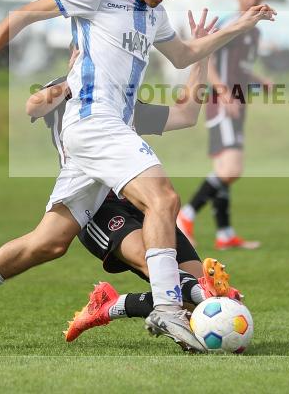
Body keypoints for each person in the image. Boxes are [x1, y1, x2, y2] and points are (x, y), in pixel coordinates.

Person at [0, 0, 276, 352]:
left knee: (48, 243)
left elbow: (184, 55)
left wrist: (236, 26)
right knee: (163, 199)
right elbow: (22, 16)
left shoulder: (155, 15)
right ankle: (166, 308)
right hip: (92, 122)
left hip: (105, 133)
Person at [21, 43, 240, 342]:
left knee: (198, 309)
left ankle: (111, 305)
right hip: (98, 206)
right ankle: (201, 289)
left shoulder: (123, 103)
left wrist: (200, 60)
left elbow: (186, 115)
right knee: (179, 282)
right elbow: (34, 106)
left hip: (145, 203)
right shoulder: (64, 93)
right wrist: (74, 77)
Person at [178, 0, 272, 251]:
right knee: (231, 168)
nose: (252, 0)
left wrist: (260, 79)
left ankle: (225, 234)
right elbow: (209, 58)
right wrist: (222, 91)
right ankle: (186, 215)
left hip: (239, 101)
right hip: (223, 102)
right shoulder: (232, 25)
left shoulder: (255, 31)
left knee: (223, 170)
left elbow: (240, 67)